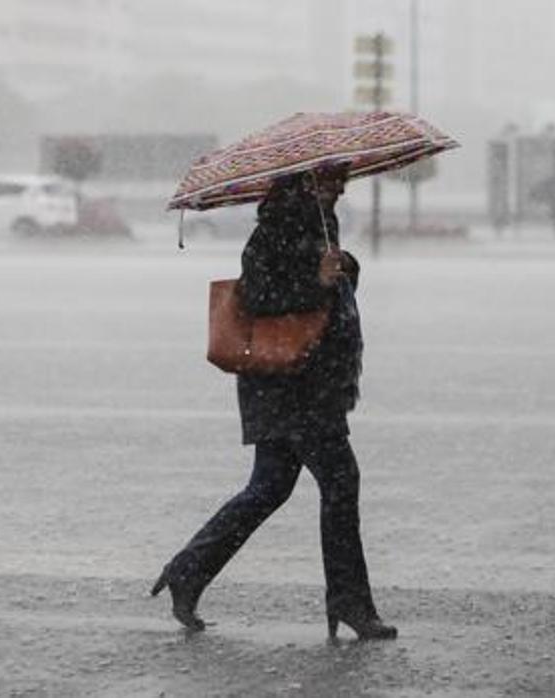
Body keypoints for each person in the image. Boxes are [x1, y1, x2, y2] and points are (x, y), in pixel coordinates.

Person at [150, 164, 397, 641]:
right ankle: (348, 600)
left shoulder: (319, 226)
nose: (340, 188)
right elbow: (260, 297)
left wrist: (345, 268)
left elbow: (329, 300)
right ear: (303, 183)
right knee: (341, 480)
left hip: (309, 382)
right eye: (330, 180)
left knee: (269, 487)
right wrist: (318, 280)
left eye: (342, 180)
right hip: (290, 386)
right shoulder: (275, 232)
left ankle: (188, 569)